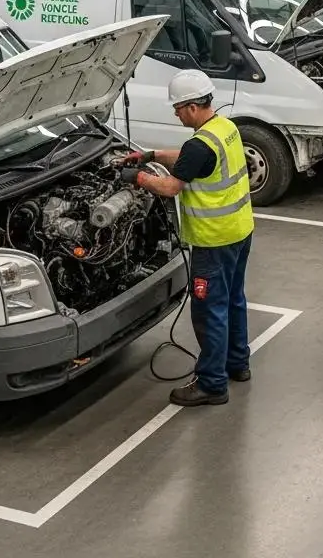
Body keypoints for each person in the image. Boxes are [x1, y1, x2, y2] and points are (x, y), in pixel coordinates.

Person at [119, 69, 254, 408]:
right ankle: (238, 364)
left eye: (178, 108)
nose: (176, 113)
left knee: (209, 310)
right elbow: (189, 159)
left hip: (213, 241)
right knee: (234, 300)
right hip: (240, 232)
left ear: (193, 107)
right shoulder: (225, 128)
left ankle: (211, 384)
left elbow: (169, 186)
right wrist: (150, 156)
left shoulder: (200, 144)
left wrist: (137, 177)